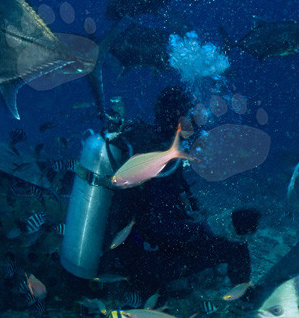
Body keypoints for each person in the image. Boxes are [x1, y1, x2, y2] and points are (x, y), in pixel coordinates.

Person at [107, 86, 254, 295]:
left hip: (130, 250)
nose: (196, 120)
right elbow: (161, 226)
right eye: (190, 112)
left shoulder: (148, 143)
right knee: (236, 248)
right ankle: (247, 302)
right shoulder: (163, 160)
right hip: (141, 263)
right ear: (178, 116)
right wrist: (203, 229)